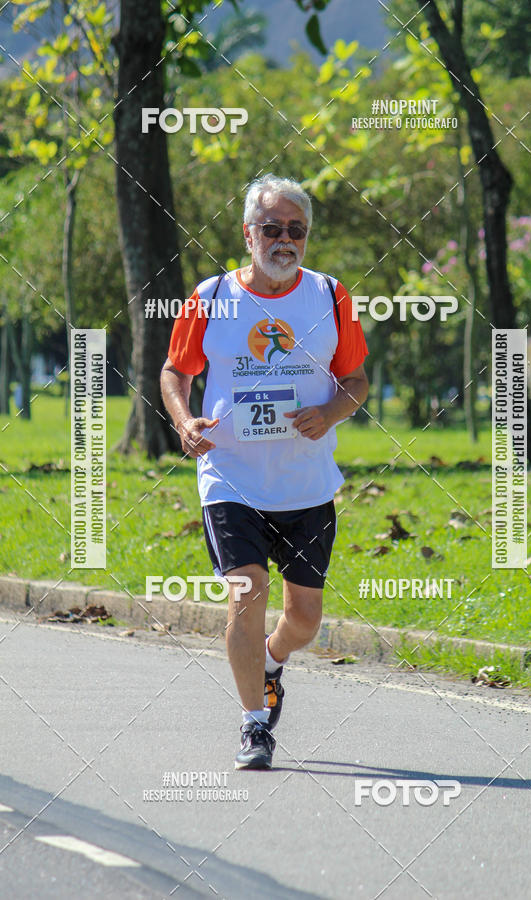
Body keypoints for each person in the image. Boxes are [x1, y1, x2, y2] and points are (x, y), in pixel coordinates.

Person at [160, 174, 369, 769]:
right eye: (272, 228)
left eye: (296, 230)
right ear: (248, 234)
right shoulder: (210, 297)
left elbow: (356, 381)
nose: (285, 239)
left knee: (305, 619)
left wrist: (329, 413)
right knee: (246, 596)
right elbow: (175, 372)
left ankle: (272, 661)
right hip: (232, 479)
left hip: (306, 484)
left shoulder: (330, 296)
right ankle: (254, 725)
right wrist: (185, 421)